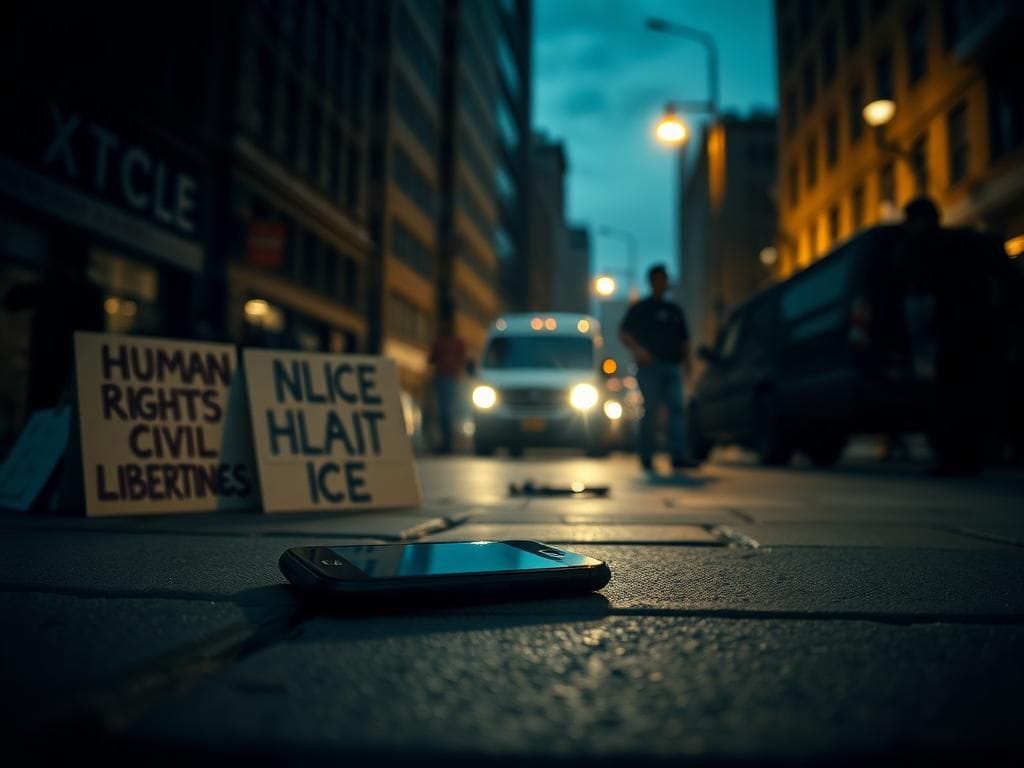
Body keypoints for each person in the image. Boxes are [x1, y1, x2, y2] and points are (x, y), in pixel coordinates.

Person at [898, 197, 1010, 475]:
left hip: (961, 331)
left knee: (954, 395)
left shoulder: (936, 247)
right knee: (974, 393)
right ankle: (972, 454)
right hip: (980, 330)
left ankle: (959, 456)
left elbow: (916, 283)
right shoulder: (970, 242)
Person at [4, 246, 105, 411]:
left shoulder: (59, 288)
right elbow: (12, 300)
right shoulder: (79, 291)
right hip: (62, 372)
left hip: (58, 372)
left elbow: (13, 300)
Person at [619, 264, 697, 472]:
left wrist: (689, 365)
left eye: (666, 279)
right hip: (649, 367)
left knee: (676, 408)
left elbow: (685, 341)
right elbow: (624, 333)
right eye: (659, 279)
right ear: (652, 281)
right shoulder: (640, 308)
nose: (664, 283)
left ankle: (678, 456)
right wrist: (638, 350)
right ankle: (646, 456)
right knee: (651, 409)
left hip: (673, 367)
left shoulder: (675, 311)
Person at [428, 315, 466, 454]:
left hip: (447, 378)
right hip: (450, 378)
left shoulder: (445, 342)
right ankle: (448, 442)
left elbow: (431, 359)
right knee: (448, 411)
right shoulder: (453, 342)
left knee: (446, 411)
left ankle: (448, 442)